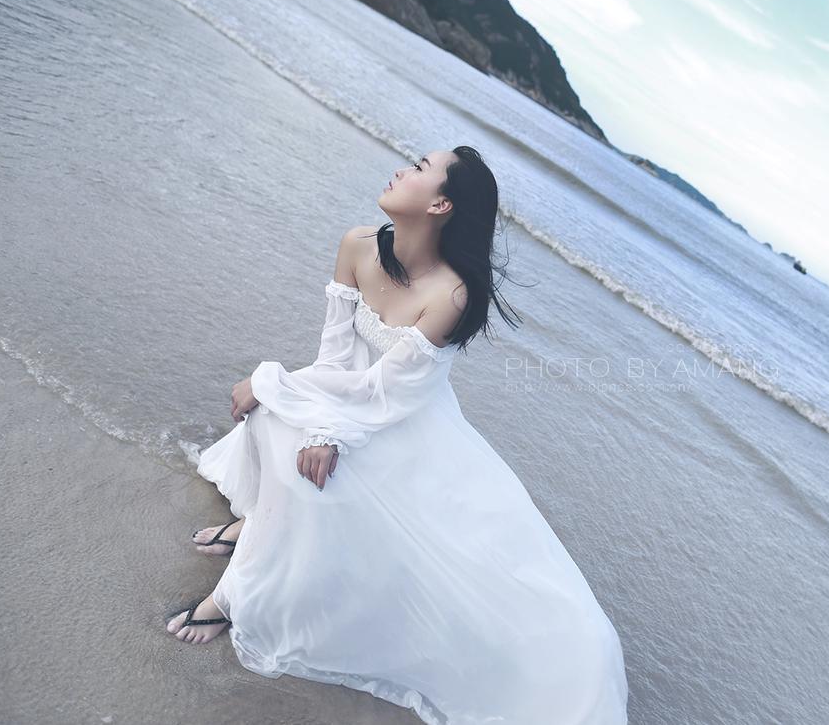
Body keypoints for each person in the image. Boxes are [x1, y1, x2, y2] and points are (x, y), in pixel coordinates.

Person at [167, 147, 630, 724]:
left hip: (402, 424)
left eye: (419, 168)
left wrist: (324, 428)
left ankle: (230, 597)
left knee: (319, 473)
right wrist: (280, 391)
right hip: (347, 400)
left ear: (440, 205)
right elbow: (335, 361)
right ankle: (260, 522)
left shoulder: (451, 294)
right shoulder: (358, 245)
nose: (401, 170)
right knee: (272, 418)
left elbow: (391, 394)